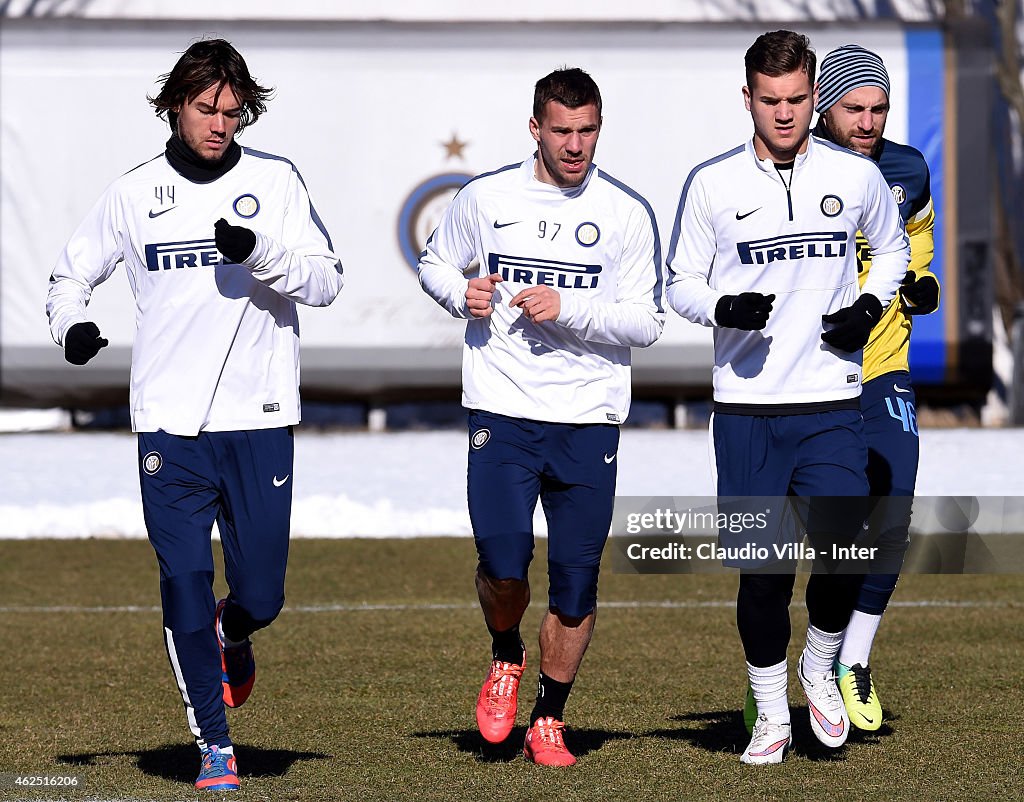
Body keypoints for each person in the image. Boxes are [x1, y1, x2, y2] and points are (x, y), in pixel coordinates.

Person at [46, 39, 344, 791]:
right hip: (167, 426)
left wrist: (261, 253)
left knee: (263, 597)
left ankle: (234, 630)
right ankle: (214, 744)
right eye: (207, 108)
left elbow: (327, 279)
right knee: (181, 578)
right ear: (176, 104)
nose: (220, 123)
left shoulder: (275, 182)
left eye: (232, 111)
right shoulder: (134, 192)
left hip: (257, 417)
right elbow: (68, 276)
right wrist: (73, 327)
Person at [665, 30, 910, 764]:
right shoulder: (712, 184)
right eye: (770, 101)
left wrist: (868, 307)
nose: (785, 113)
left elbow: (892, 248)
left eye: (798, 99)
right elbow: (678, 282)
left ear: (814, 97)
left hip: (831, 401)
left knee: (845, 552)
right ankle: (771, 712)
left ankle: (819, 668)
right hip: (746, 411)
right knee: (764, 571)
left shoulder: (855, 177)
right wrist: (722, 307)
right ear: (748, 98)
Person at [418, 67, 664, 766]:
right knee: (501, 565)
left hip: (588, 417)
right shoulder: (487, 197)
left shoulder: (625, 212)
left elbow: (646, 322)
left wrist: (572, 308)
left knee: (576, 584)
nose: (576, 144)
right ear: (536, 129)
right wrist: (459, 293)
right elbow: (434, 264)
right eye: (562, 130)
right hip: (502, 407)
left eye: (588, 130)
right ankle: (505, 652)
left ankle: (549, 719)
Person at [813, 44, 940, 732]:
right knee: (794, 535)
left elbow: (919, 249)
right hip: (804, 378)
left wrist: (924, 285)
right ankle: (772, 674)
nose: (867, 120)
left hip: (883, 366)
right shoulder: (794, 167)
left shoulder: (907, 169)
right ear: (825, 106)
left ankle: (852, 663)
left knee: (891, 519)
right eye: (854, 107)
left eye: (879, 107)